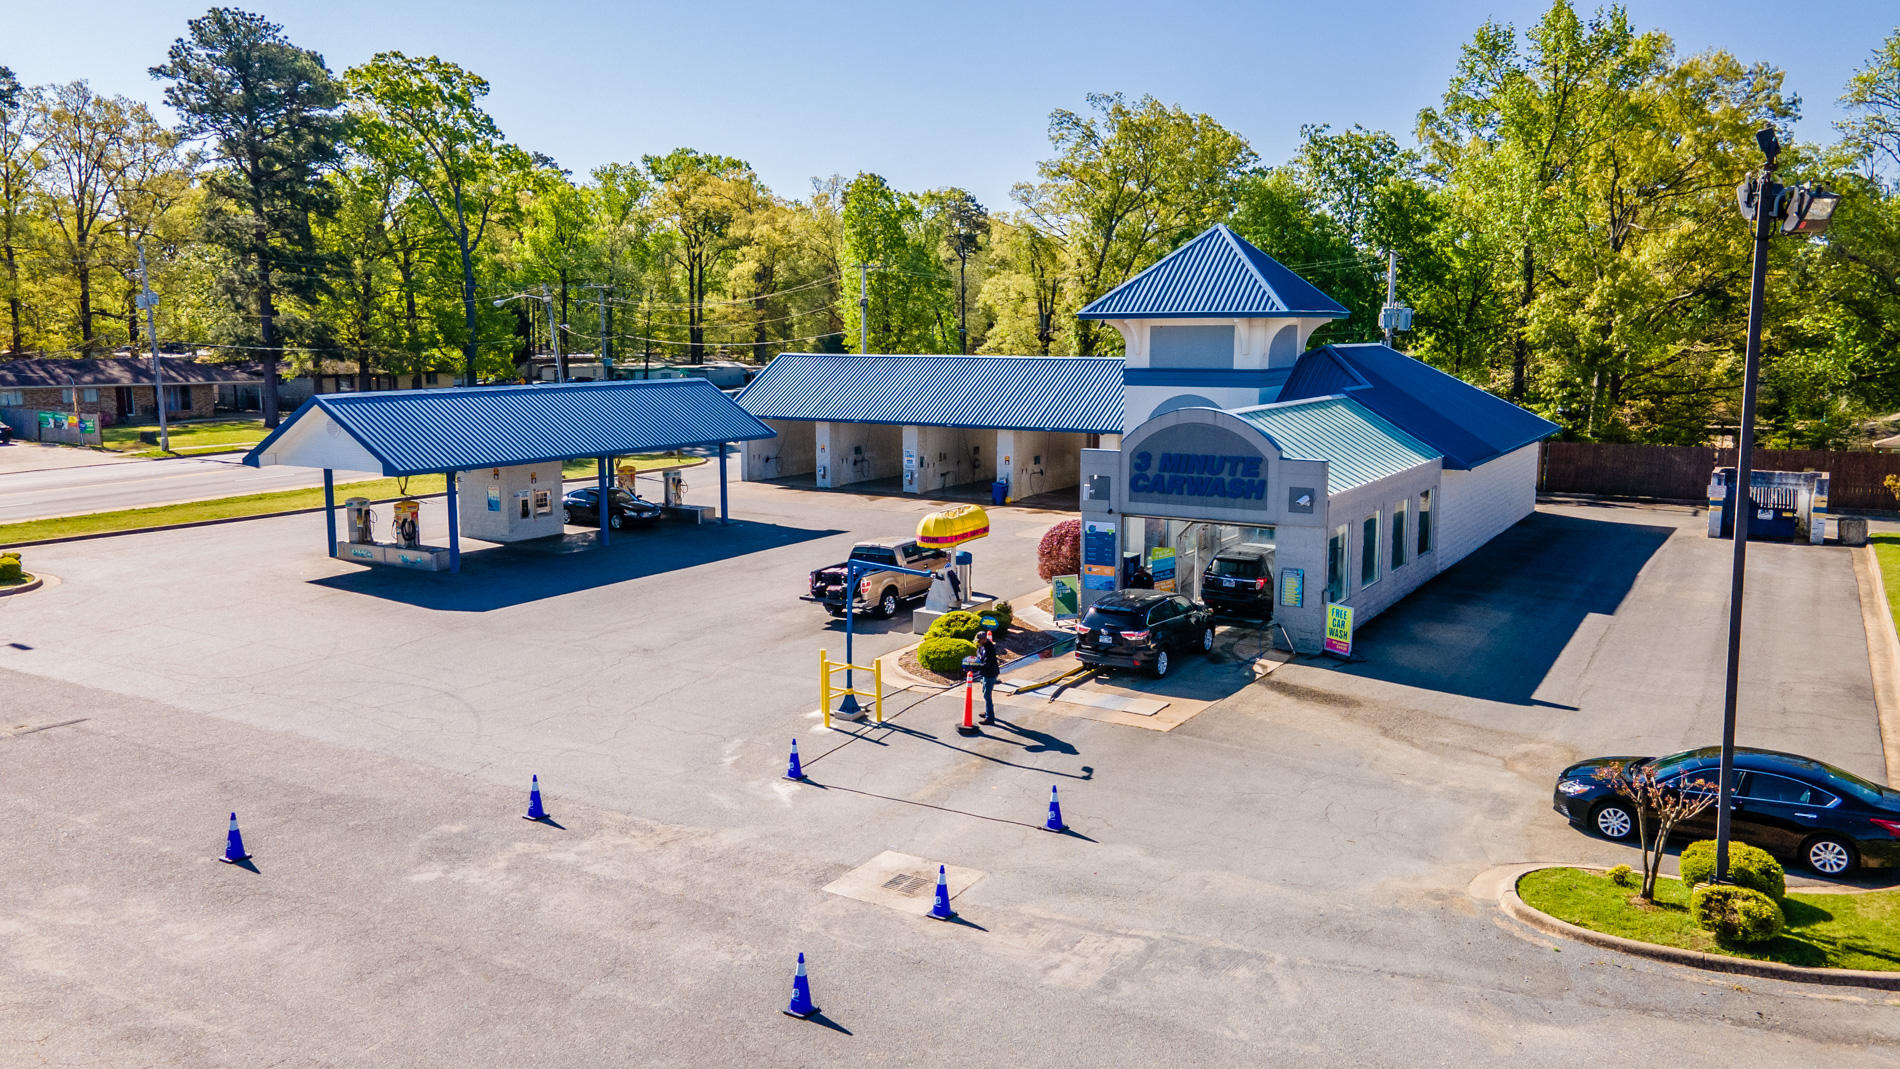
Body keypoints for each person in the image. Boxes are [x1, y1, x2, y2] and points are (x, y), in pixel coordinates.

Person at [975, 628, 1000, 725]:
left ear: (984, 639)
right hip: (985, 673)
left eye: (980, 640)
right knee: (985, 692)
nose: (978, 642)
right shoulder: (982, 646)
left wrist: (975, 667)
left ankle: (990, 717)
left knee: (987, 695)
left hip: (990, 674)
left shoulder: (989, 649)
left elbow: (986, 664)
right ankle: (988, 711)